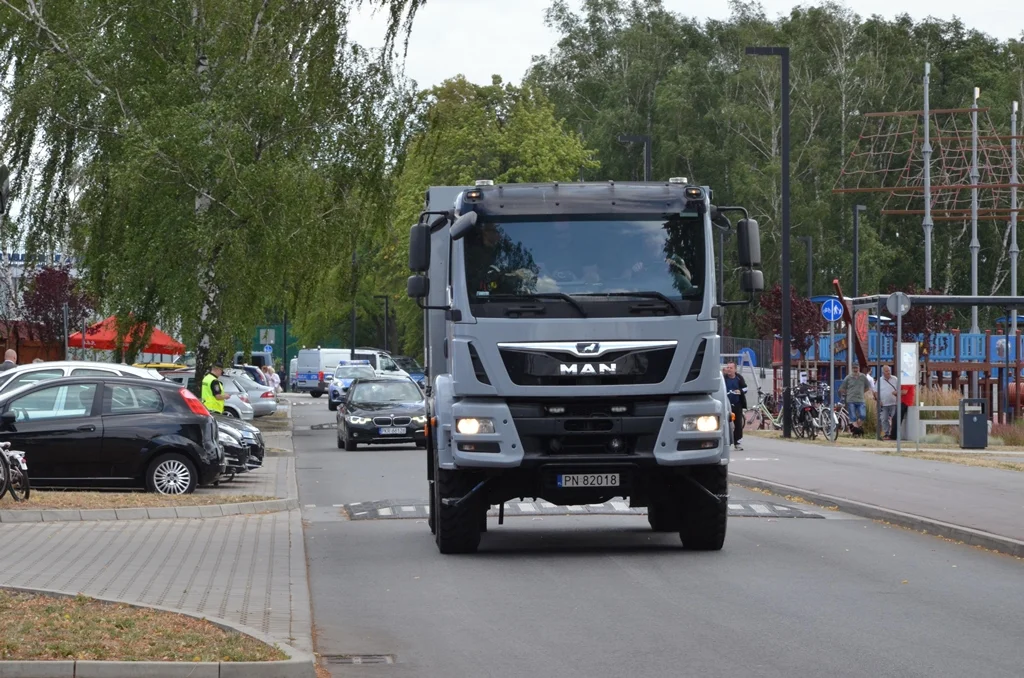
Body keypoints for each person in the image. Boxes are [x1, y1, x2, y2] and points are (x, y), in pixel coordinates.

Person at [839, 363, 875, 435]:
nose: (855, 369)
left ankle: (857, 428)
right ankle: (857, 431)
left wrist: (862, 392)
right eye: (854, 368)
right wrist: (848, 393)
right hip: (851, 400)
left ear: (859, 368)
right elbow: (842, 388)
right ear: (852, 369)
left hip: (860, 399)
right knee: (853, 416)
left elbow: (867, 387)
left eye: (856, 368)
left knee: (863, 415)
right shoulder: (848, 377)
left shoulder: (863, 377)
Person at [722, 362, 748, 451]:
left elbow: (745, 388)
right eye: (728, 367)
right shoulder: (723, 378)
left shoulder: (739, 378)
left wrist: (739, 391)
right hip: (725, 404)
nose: (729, 369)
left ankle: (738, 443)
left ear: (735, 369)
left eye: (731, 368)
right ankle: (725, 443)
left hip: (737, 404)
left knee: (738, 423)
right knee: (724, 423)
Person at [876, 365, 899, 439]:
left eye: (889, 370)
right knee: (884, 418)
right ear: (883, 372)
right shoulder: (879, 380)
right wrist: (878, 400)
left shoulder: (895, 379)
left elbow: (900, 389)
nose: (888, 372)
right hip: (884, 403)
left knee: (894, 419)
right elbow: (875, 391)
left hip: (894, 403)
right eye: (886, 371)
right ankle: (887, 433)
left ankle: (893, 433)